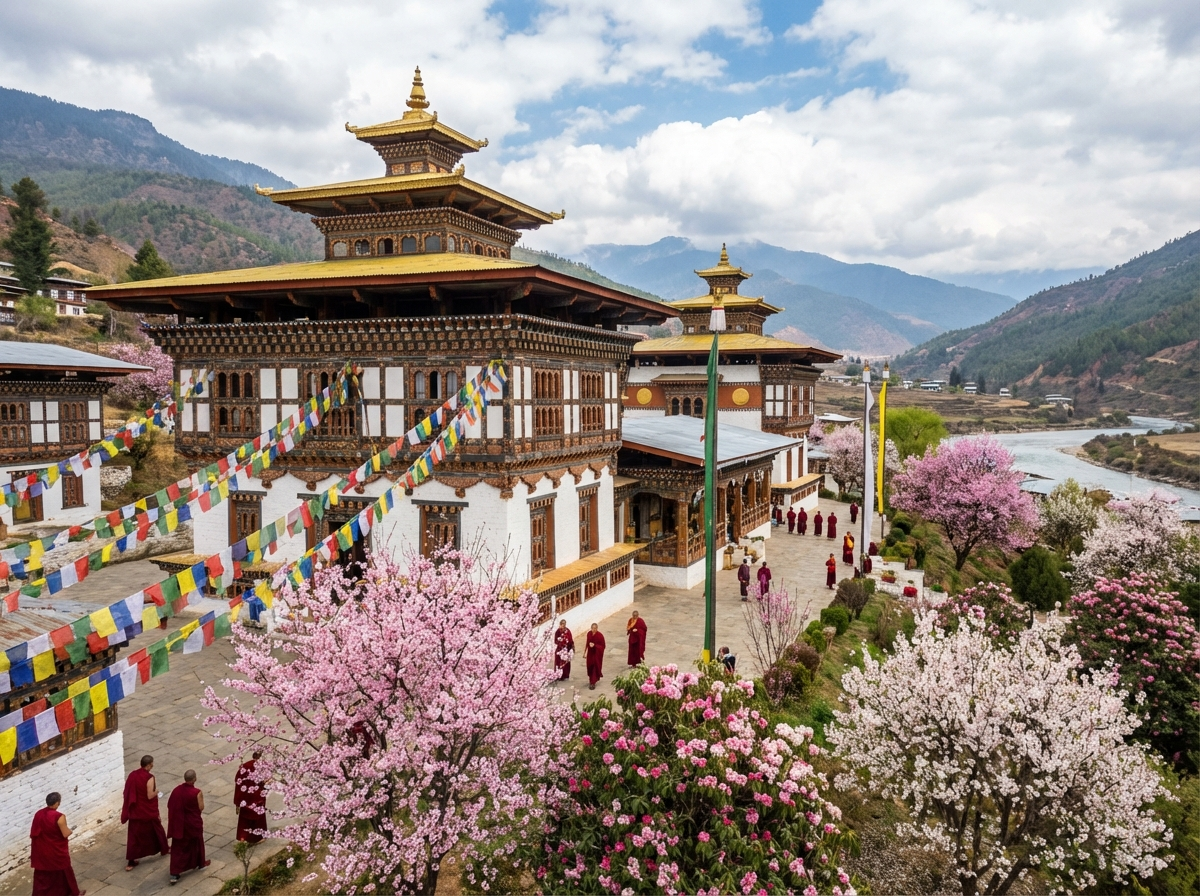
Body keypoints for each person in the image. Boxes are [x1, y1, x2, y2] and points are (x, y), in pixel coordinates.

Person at [30, 793, 83, 896]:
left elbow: (34, 832)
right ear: (57, 803)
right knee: (64, 870)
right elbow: (65, 833)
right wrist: (71, 830)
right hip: (55, 851)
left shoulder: (38, 813)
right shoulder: (59, 817)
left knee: (43, 874)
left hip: (42, 850)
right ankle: (72, 892)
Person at [122, 754, 169, 870]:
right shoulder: (149, 777)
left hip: (135, 811)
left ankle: (131, 862)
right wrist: (156, 791)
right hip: (147, 811)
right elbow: (149, 796)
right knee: (157, 829)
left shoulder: (132, 775)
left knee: (134, 836)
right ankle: (164, 848)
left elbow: (127, 792)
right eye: (152, 764)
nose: (152, 765)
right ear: (148, 765)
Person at [167, 770, 209, 885]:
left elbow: (170, 805)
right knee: (197, 842)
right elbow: (201, 807)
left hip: (179, 824)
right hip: (192, 823)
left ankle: (174, 874)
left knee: (178, 848)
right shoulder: (197, 792)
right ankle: (200, 864)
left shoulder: (176, 791)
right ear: (194, 779)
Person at [234, 752, 267, 844]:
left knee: (244, 818)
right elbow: (262, 783)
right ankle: (256, 838)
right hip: (256, 797)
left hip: (244, 797)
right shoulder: (261, 768)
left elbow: (238, 780)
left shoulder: (244, 766)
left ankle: (242, 837)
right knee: (257, 818)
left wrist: (238, 798)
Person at [585, 623, 606, 690]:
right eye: (592, 628)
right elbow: (587, 643)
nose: (593, 630)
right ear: (591, 628)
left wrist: (595, 645)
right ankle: (591, 680)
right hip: (590, 654)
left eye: (595, 628)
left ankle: (593, 683)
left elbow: (603, 646)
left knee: (594, 667)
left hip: (596, 655)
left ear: (597, 628)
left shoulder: (600, 636)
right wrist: (585, 651)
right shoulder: (589, 634)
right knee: (589, 666)